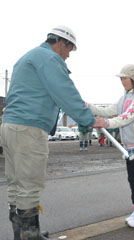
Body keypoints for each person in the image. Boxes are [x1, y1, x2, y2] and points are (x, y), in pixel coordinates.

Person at [0, 26, 101, 240]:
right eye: (69, 50)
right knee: (29, 184)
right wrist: (89, 120)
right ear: (61, 43)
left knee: (17, 182)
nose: (68, 56)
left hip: (11, 126)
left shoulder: (28, 57)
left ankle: (22, 233)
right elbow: (65, 91)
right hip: (28, 128)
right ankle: (29, 236)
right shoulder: (49, 59)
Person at [91, 64, 134, 228]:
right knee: (132, 179)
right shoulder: (124, 97)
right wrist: (88, 106)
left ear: (133, 79)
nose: (121, 81)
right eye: (121, 78)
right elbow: (110, 109)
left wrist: (106, 123)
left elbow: (127, 117)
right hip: (129, 146)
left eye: (124, 78)